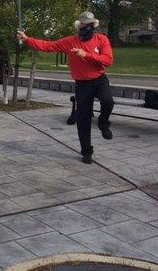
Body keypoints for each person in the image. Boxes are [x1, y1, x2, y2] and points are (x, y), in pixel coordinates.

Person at [17, 11, 114, 164]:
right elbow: (48, 46)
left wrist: (86, 54)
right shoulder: (70, 41)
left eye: (90, 25)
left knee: (108, 101)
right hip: (83, 84)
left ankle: (103, 124)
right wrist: (27, 39)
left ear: (94, 25)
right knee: (83, 119)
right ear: (79, 25)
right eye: (84, 24)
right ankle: (86, 151)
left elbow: (108, 60)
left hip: (100, 80)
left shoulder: (101, 39)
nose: (87, 27)